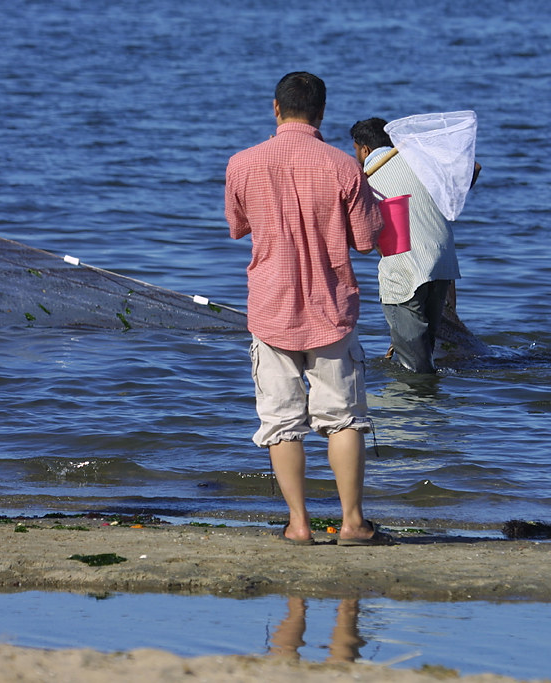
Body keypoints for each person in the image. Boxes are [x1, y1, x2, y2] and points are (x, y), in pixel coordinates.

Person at [225, 72, 392, 546]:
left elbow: (237, 227)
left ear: (275, 109)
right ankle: (353, 523)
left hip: (270, 309)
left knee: (280, 423)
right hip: (330, 309)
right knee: (343, 418)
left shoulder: (242, 163)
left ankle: (298, 524)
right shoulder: (344, 167)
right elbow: (365, 240)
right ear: (321, 113)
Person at [350, 117, 480, 374]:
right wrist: (449, 196)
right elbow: (473, 167)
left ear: (364, 149)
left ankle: (412, 410)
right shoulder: (420, 162)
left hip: (407, 270)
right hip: (442, 263)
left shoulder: (363, 178)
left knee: (414, 369)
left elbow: (363, 242)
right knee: (424, 353)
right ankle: (431, 410)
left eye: (355, 151)